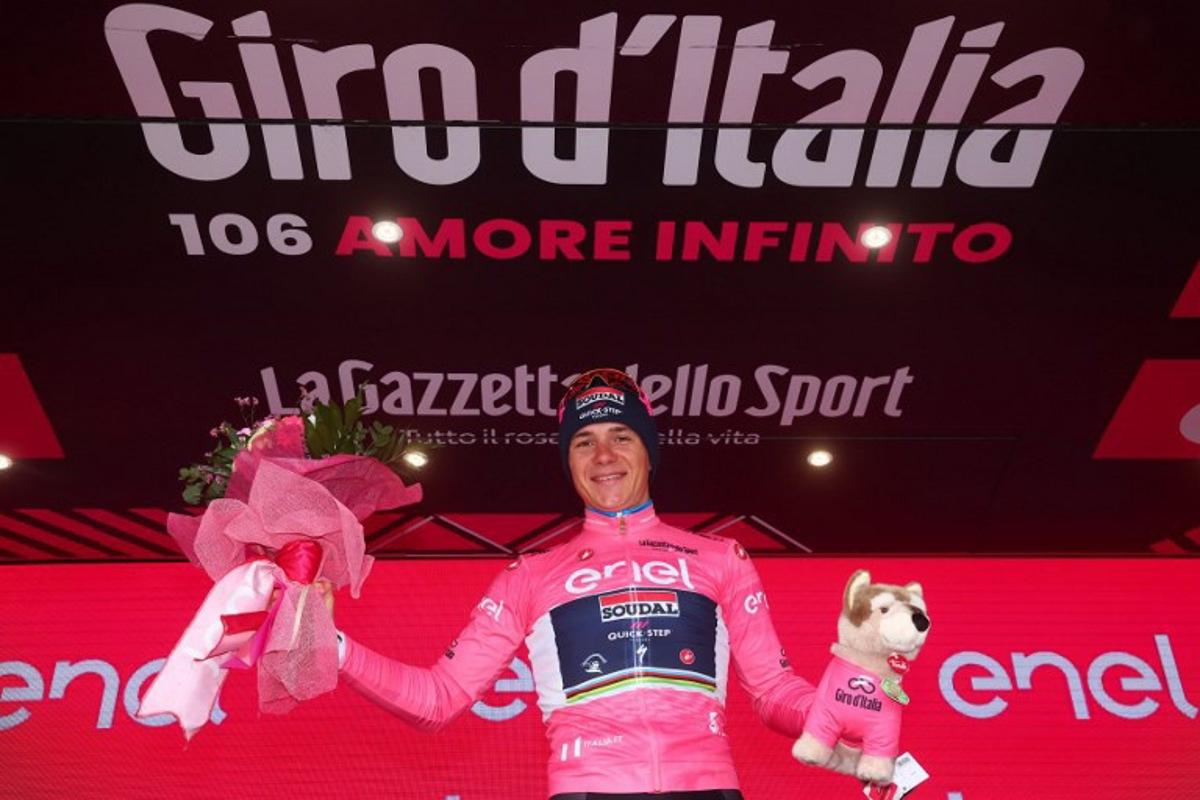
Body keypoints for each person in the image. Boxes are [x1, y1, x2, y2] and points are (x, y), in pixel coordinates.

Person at [325, 368, 819, 800]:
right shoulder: (531, 575)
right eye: (584, 442)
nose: (603, 455)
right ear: (569, 462)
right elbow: (439, 698)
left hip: (708, 787)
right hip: (587, 788)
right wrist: (333, 645)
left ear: (649, 452)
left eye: (621, 436)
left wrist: (840, 710)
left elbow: (774, 691)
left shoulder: (720, 558)